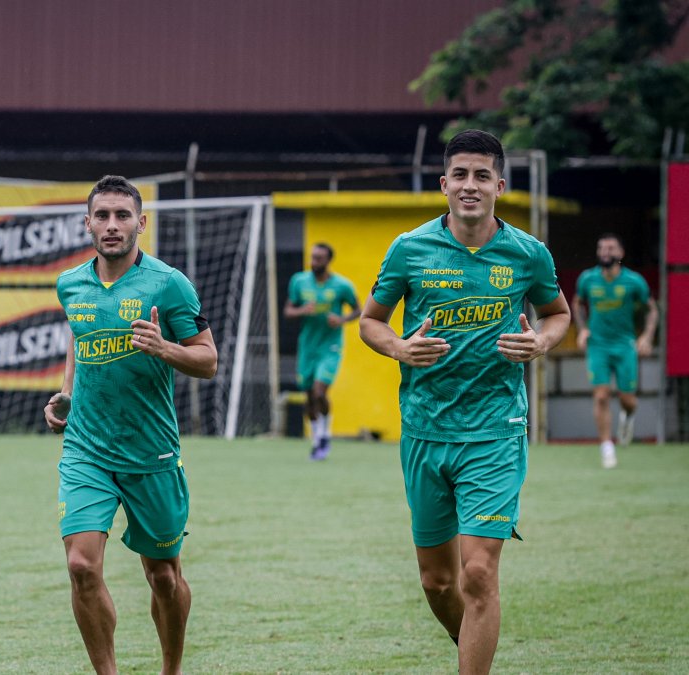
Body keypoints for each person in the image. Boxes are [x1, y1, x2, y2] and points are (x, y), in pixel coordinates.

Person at [358, 130, 570, 674]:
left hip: (495, 432)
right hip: (426, 430)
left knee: (478, 573)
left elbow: (558, 314)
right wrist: (401, 348)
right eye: (460, 175)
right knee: (438, 580)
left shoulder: (528, 253)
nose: (470, 185)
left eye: (482, 176)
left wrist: (540, 341)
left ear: (500, 185)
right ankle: (474, 644)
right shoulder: (409, 248)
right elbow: (370, 323)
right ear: (444, 184)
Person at [43, 175, 217, 674]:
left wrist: (165, 348)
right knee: (80, 566)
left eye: (122, 216)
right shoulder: (70, 284)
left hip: (152, 455)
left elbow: (208, 361)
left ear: (142, 223)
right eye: (102, 215)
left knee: (163, 576)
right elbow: (79, 340)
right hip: (87, 450)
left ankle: (171, 669)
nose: (112, 225)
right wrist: (68, 395)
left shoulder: (169, 284)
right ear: (87, 223)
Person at [573, 233, 659, 468]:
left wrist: (646, 337)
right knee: (601, 396)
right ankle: (606, 447)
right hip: (598, 346)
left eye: (610, 248)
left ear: (620, 253)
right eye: (601, 248)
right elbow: (577, 303)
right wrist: (582, 330)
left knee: (627, 399)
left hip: (624, 346)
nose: (605, 252)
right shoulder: (588, 279)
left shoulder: (634, 281)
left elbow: (652, 310)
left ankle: (628, 416)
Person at [282, 243, 360, 459]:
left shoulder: (342, 286)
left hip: (330, 346)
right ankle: (317, 440)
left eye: (319, 258)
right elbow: (288, 310)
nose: (314, 261)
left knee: (319, 391)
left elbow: (358, 310)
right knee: (309, 396)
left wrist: (342, 319)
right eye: (312, 257)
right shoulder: (299, 281)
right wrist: (301, 310)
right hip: (308, 346)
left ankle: (325, 433)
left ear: (328, 260)